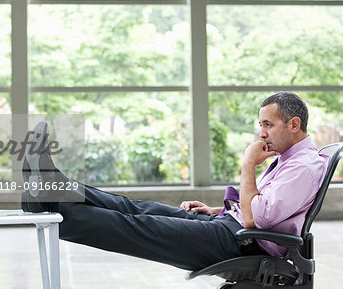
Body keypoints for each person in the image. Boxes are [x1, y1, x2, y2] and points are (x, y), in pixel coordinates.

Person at [21, 92, 328, 271]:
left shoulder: (303, 166)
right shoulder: (289, 159)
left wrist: (248, 164)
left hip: (241, 242)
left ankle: (48, 207)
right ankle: (53, 185)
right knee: (135, 209)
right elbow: (260, 207)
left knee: (134, 227)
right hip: (228, 226)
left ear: (294, 124)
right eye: (261, 125)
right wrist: (216, 210)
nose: (262, 133)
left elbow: (254, 218)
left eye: (268, 125)